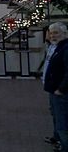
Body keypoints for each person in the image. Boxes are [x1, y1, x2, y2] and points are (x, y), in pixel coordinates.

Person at [44, 22, 68, 152]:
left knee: (62, 123)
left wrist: (61, 89)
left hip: (61, 92)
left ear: (65, 34)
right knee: (57, 118)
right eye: (51, 33)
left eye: (56, 33)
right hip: (53, 90)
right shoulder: (57, 46)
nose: (53, 35)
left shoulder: (65, 48)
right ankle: (58, 141)